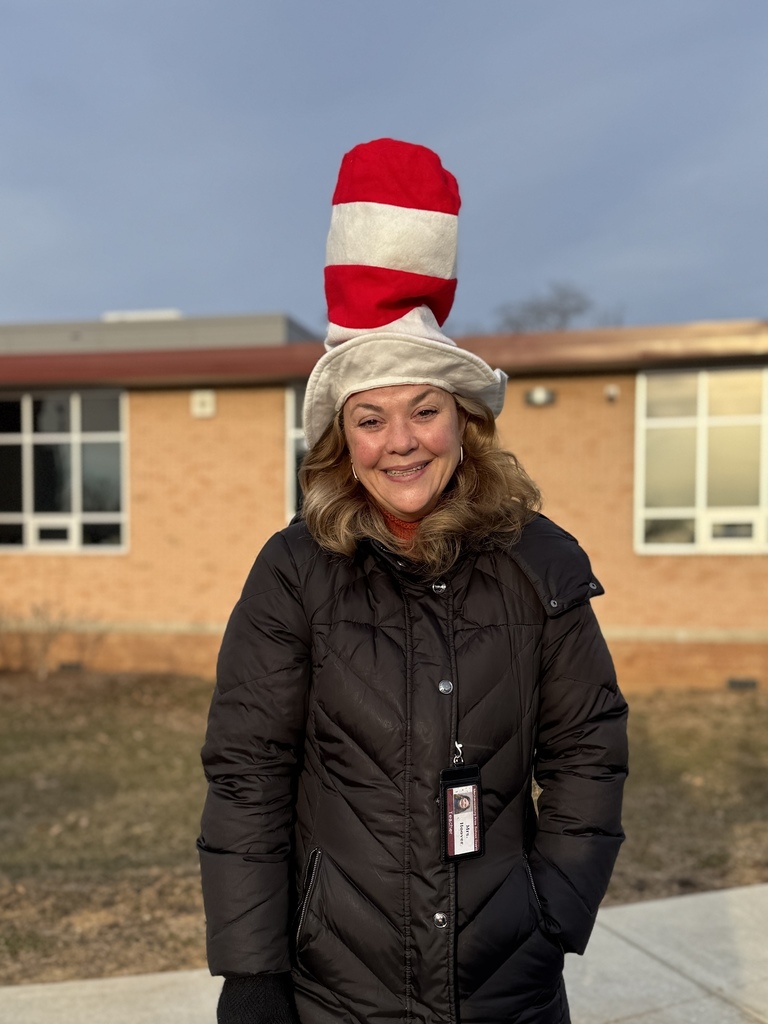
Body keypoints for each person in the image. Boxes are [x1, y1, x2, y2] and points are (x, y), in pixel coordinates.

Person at [198, 138, 628, 1024]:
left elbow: (589, 749)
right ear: (341, 441)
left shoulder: (538, 561)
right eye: (371, 419)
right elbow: (249, 774)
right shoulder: (293, 574)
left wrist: (552, 915)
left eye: (424, 410)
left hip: (507, 982)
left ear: (463, 422)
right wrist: (252, 971)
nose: (401, 442)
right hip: (335, 986)